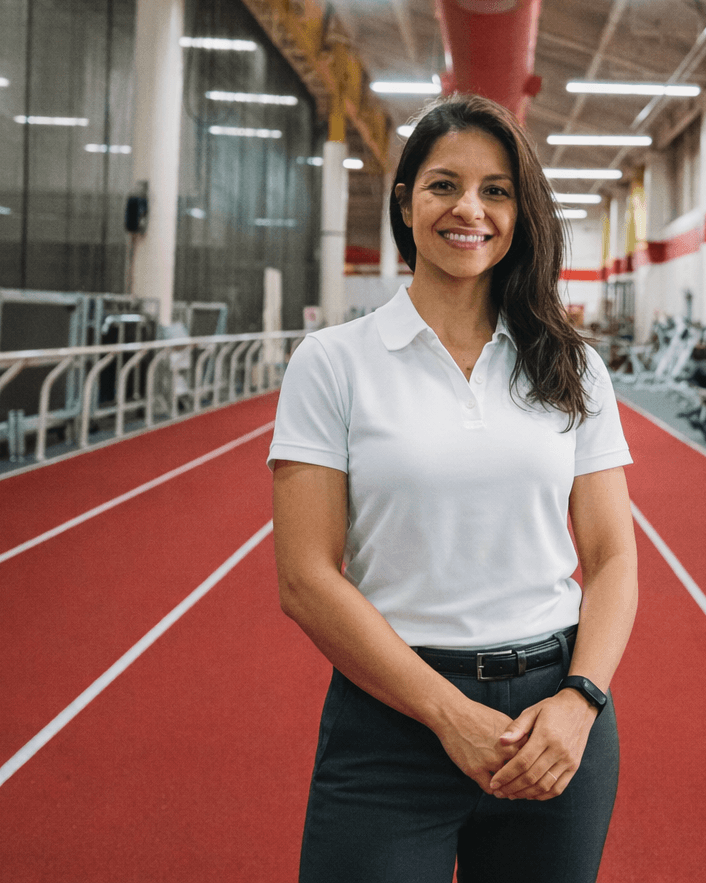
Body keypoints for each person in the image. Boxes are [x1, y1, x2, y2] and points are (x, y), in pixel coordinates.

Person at [269, 93, 638, 883]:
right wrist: (448, 714)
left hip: (554, 721)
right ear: (406, 204)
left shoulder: (570, 365)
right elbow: (305, 578)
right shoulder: (333, 362)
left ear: (519, 212)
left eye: (495, 190)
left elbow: (611, 558)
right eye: (444, 185)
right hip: (393, 724)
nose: (469, 209)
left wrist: (581, 701)